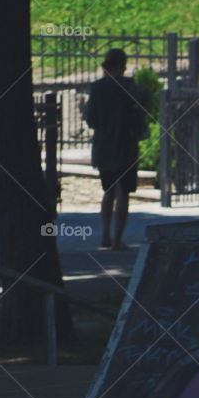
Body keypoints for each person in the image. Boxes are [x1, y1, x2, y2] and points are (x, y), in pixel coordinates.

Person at [84, 48, 149, 250]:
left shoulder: (97, 88)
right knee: (124, 192)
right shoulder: (131, 87)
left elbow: (90, 119)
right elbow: (143, 108)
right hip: (126, 144)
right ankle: (118, 239)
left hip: (104, 145)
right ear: (122, 66)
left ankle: (105, 235)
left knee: (108, 190)